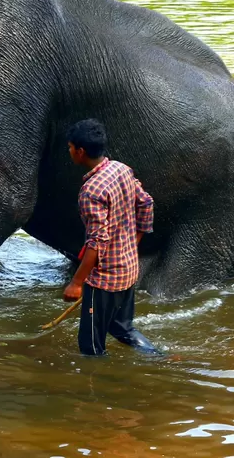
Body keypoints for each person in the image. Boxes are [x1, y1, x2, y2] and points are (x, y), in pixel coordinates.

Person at [63, 119, 163, 357]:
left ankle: (97, 388)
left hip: (105, 279)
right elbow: (147, 203)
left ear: (80, 151)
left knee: (90, 346)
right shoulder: (121, 169)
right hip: (128, 269)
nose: (69, 152)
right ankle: (160, 358)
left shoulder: (91, 191)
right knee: (122, 328)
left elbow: (97, 241)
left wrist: (77, 283)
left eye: (69, 147)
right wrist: (132, 244)